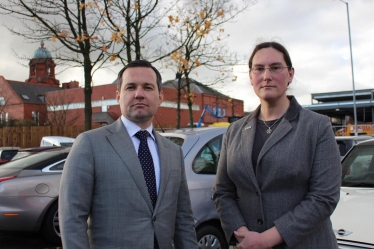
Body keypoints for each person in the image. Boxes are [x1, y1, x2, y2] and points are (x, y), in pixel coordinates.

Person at [212, 42, 341, 249]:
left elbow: (324, 197)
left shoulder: (317, 127)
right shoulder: (234, 131)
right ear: (251, 76)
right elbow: (222, 191)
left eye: (275, 67)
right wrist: (241, 233)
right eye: (259, 69)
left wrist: (266, 239)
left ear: (290, 74)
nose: (266, 76)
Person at [59, 60, 199, 249]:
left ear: (160, 96)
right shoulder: (89, 144)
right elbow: (71, 218)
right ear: (118, 96)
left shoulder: (173, 152)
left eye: (148, 87)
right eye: (130, 87)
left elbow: (183, 220)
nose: (139, 94)